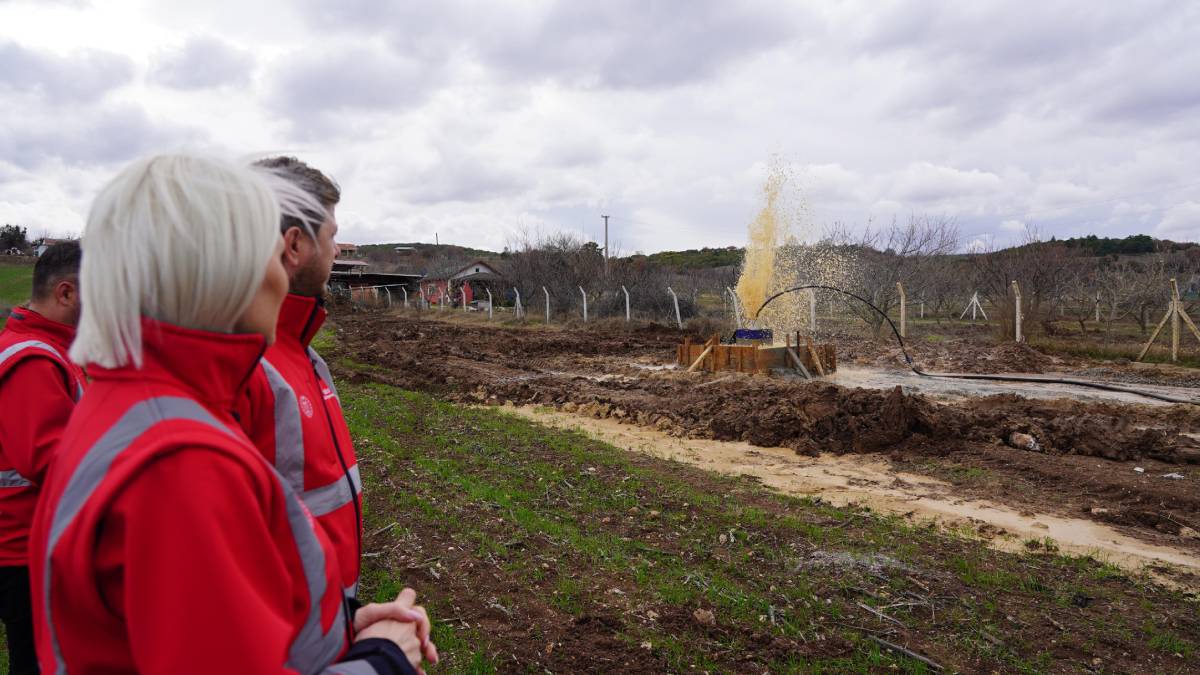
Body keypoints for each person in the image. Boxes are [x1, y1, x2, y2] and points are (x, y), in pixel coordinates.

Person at [28, 153, 434, 674]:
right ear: (226, 268)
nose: (280, 275)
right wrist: (384, 660)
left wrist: (338, 628)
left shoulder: (130, 405)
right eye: (267, 250)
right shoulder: (180, 465)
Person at [0, 242, 86, 675]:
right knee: (39, 661)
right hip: (24, 550)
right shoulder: (34, 359)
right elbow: (52, 463)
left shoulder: (47, 349)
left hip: (30, 541)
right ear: (66, 294)